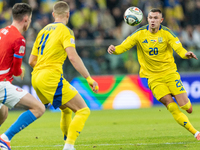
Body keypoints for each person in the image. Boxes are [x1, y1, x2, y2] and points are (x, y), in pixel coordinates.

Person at [107, 8, 200, 140]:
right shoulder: (139, 34)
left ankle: (180, 98)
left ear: (161, 20)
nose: (152, 20)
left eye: (156, 18)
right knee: (172, 107)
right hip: (153, 78)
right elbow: (124, 46)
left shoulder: (167, 33)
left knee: (186, 107)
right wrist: (114, 49)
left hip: (170, 74)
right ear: (147, 19)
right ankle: (196, 132)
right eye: (150, 18)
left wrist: (186, 54)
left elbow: (178, 48)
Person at [28, 1, 99, 150]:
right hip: (50, 76)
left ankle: (67, 141)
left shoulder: (43, 30)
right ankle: (69, 146)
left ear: (53, 14)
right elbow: (73, 57)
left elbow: (31, 60)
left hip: (36, 77)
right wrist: (88, 77)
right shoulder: (66, 31)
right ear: (68, 14)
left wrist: (43, 71)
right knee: (83, 110)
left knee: (66, 109)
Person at [0, 3, 45, 150]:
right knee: (39, 108)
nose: (30, 21)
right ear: (26, 19)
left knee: (3, 113)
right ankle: (5, 139)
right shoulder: (19, 39)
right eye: (30, 19)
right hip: (1, 83)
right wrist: (20, 72)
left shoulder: (2, 31)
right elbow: (15, 69)